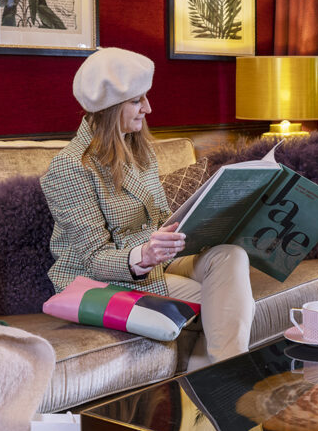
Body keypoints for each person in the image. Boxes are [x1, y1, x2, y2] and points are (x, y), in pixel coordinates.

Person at [41, 47, 255, 369]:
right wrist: (144, 254)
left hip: (157, 261)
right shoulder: (69, 167)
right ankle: (227, 382)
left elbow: (159, 222)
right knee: (221, 302)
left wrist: (205, 224)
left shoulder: (140, 151)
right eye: (137, 100)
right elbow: (95, 259)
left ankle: (215, 383)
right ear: (109, 107)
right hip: (104, 277)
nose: (148, 108)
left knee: (231, 256)